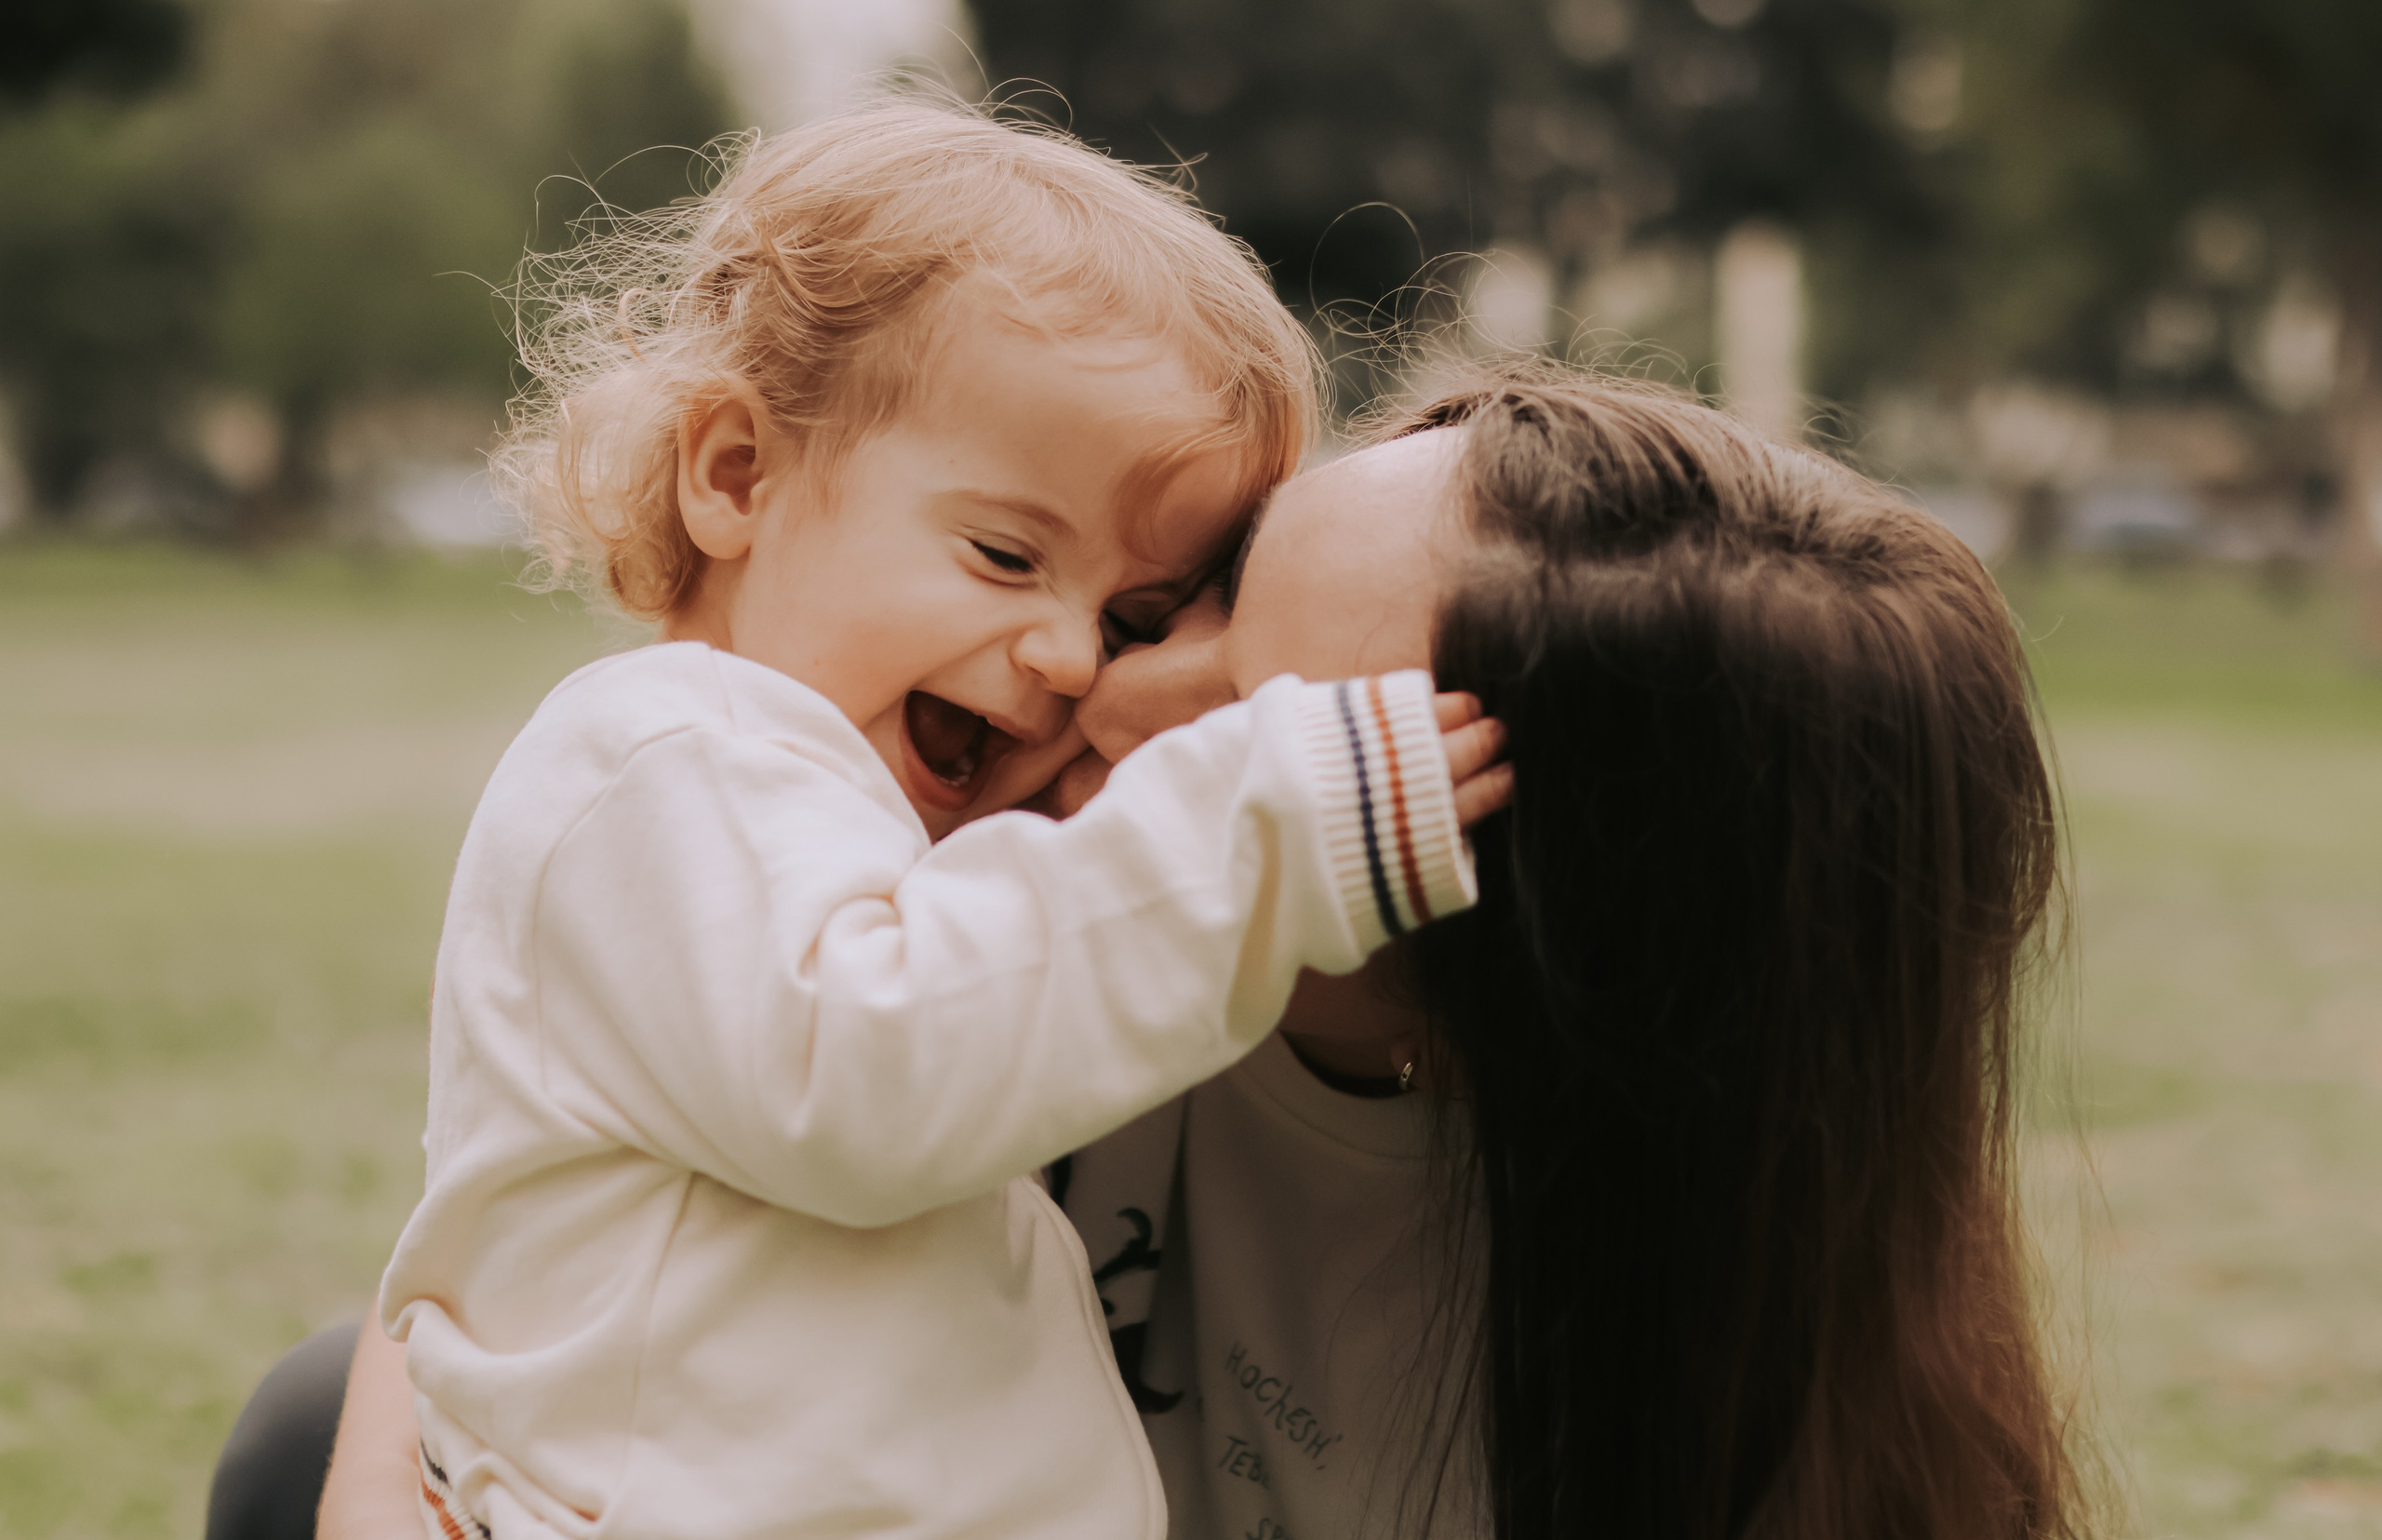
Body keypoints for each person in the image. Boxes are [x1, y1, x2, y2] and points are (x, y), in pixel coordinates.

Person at [222, 368, 2091, 1540]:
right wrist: (390, 1475)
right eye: (1184, 593)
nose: (1101, 684)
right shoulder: (1017, 904)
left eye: (1258, 735)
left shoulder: (1739, 1383)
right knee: (315, 1413)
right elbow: (559, 1206)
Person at [371, 98, 1507, 1540]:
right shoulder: (662, 759)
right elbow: (875, 1059)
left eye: (1133, 610)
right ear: (738, 474)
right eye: (1005, 553)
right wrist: (1271, 825)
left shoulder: (830, 810)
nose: (1074, 661)